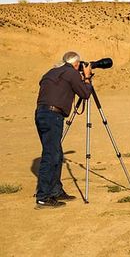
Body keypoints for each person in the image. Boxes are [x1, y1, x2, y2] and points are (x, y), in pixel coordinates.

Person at [35, 51, 93, 209]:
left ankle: (55, 191)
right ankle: (43, 197)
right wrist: (86, 77)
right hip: (53, 116)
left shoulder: (51, 71)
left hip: (41, 113)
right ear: (76, 64)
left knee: (56, 153)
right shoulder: (71, 73)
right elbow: (85, 93)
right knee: (50, 155)